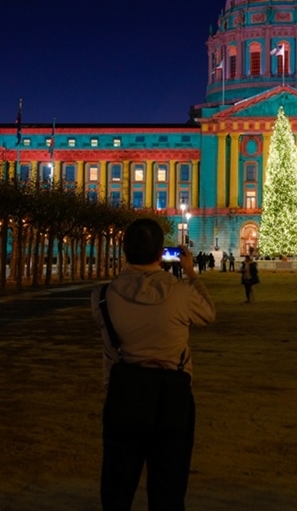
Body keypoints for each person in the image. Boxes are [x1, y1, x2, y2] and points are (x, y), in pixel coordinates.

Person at [91, 218, 215, 511]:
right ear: (161, 253)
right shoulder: (181, 294)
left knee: (117, 490)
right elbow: (208, 313)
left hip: (123, 397)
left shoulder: (102, 297)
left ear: (124, 250)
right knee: (168, 490)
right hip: (172, 398)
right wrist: (191, 273)